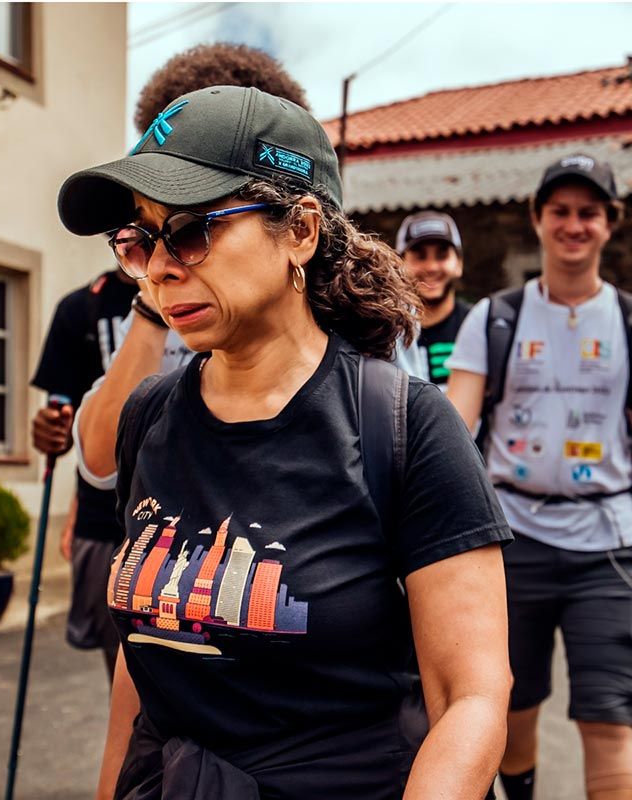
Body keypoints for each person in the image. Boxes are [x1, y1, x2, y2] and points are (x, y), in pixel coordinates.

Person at [57, 85, 513, 800]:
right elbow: (146, 658)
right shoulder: (151, 417)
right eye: (141, 241)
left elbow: (471, 699)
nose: (163, 268)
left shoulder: (405, 425)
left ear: (299, 230)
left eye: (192, 230)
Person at [32, 44, 313, 678]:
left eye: (197, 220)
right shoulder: (109, 298)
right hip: (136, 524)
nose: (166, 256)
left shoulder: (365, 389)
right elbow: (98, 451)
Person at [446, 154, 632, 800]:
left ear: (611, 223)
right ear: (537, 218)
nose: (574, 225)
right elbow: (451, 429)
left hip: (607, 548)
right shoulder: (494, 319)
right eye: (560, 211)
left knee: (609, 721)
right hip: (509, 545)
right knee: (510, 711)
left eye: (589, 212)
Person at [31, 267, 137, 679]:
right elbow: (62, 415)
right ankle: (125, 745)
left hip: (195, 507)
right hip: (104, 516)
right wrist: (50, 431)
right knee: (121, 658)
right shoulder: (81, 307)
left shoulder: (198, 294)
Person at [393, 211, 470, 389]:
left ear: (459, 263)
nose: (431, 267)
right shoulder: (385, 335)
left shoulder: (478, 326)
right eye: (420, 256)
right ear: (399, 264)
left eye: (441, 256)